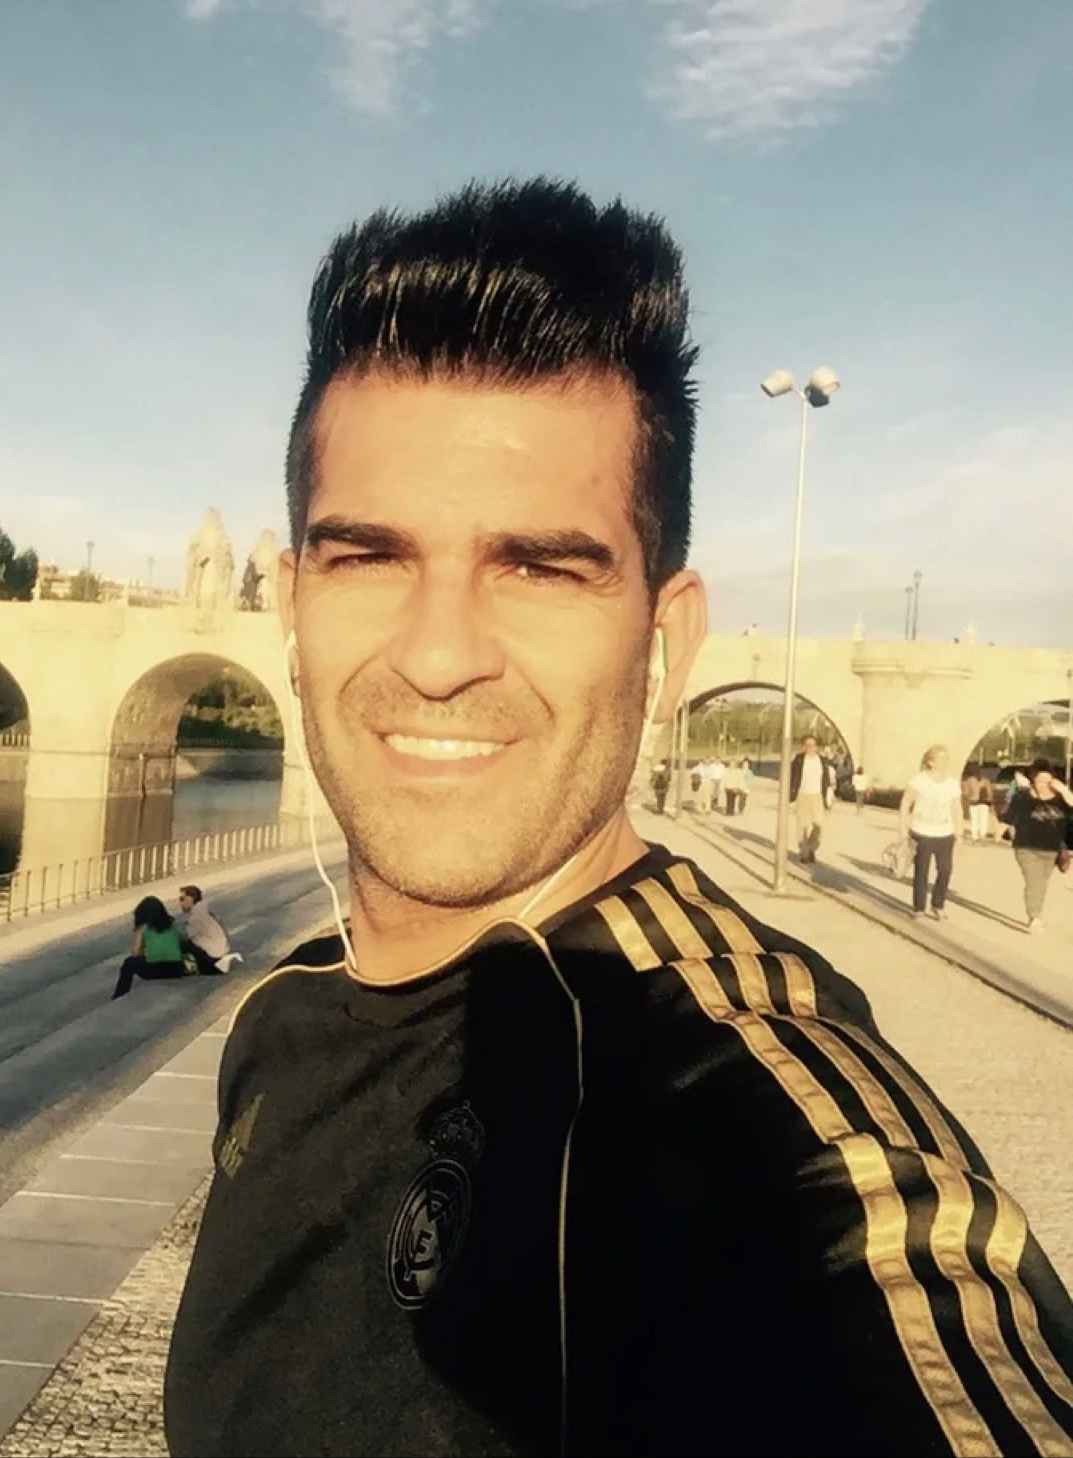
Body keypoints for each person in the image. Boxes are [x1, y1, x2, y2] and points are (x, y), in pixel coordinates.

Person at [164, 178, 1073, 1458]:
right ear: (291, 601)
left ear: (665, 639)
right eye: (368, 556)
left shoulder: (752, 1114)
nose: (437, 656)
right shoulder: (284, 1015)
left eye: (540, 568)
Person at [1000, 758, 1073, 931]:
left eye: (1048, 781)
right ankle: (1034, 916)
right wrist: (998, 833)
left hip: (1051, 849)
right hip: (1026, 847)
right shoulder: (1024, 797)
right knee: (1034, 881)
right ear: (1033, 780)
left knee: (1042, 882)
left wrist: (1064, 790)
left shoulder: (1060, 799)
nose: (1043, 785)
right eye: (1040, 780)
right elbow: (1009, 817)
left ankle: (1036, 913)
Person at [897, 744, 963, 921]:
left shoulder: (952, 784)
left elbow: (957, 808)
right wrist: (903, 830)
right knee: (921, 871)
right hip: (921, 832)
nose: (945, 762)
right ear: (931, 762)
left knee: (945, 870)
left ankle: (938, 904)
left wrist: (959, 832)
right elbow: (905, 804)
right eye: (941, 758)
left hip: (945, 833)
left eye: (947, 758)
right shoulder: (918, 781)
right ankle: (919, 907)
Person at [111, 895, 188, 1000]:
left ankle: (120, 994)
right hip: (177, 969)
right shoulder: (172, 925)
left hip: (155, 970)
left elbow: (135, 953)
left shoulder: (143, 928)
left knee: (129, 963)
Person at [788, 734, 834, 863]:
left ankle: (812, 848)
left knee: (818, 825)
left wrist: (828, 797)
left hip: (817, 796)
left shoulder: (822, 761)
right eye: (807, 745)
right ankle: (804, 852)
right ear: (803, 747)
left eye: (813, 745)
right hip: (802, 795)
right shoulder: (798, 760)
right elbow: (792, 777)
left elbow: (826, 780)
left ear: (817, 747)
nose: (810, 748)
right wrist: (790, 796)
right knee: (802, 825)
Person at [175, 884, 240, 974]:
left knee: (182, 943)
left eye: (182, 899)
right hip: (222, 951)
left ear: (190, 899)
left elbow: (184, 936)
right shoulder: (206, 912)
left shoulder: (197, 918)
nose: (180, 903)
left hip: (213, 958)